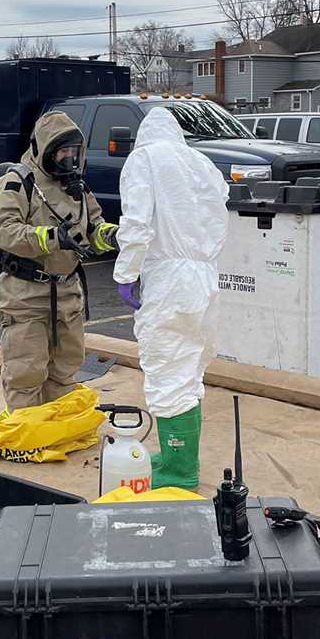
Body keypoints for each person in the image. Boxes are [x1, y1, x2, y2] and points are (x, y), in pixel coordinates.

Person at [113, 107, 229, 489]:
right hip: (205, 277)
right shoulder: (202, 164)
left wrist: (126, 274)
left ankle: (179, 473)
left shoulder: (144, 159)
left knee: (166, 369)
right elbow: (217, 214)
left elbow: (137, 223)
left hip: (170, 279)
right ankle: (179, 458)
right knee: (190, 370)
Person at [0, 111, 118, 411]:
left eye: (74, 152)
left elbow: (93, 227)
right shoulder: (17, 183)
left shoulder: (77, 188)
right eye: (62, 152)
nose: (69, 159)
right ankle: (27, 432)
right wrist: (52, 237)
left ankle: (59, 427)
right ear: (44, 150)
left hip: (67, 292)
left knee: (66, 369)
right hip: (26, 295)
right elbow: (4, 232)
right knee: (26, 372)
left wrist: (115, 236)